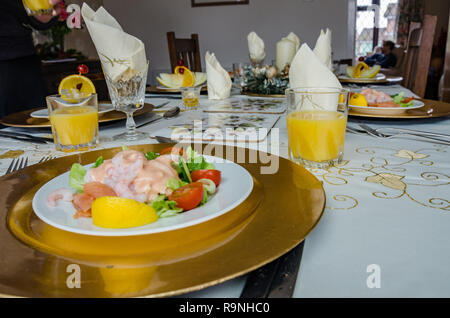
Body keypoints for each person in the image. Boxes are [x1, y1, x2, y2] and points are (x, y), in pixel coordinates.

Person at [0, 0, 62, 118]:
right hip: (13, 60)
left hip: (24, 58)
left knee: (37, 123)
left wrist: (43, 16)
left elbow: (40, 19)